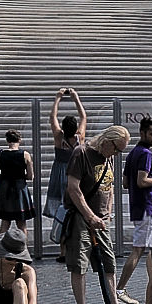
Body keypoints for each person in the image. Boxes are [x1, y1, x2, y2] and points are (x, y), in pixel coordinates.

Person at [62, 125, 131, 304]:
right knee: (79, 264)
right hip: (81, 218)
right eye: (117, 149)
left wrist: (107, 211)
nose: (118, 154)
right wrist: (90, 216)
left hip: (101, 220)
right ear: (107, 142)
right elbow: (74, 189)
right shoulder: (81, 153)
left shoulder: (108, 157)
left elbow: (109, 186)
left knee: (109, 262)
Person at [44, 89, 87, 229]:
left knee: (62, 205)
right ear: (75, 129)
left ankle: (62, 229)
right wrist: (76, 98)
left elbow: (52, 118)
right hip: (75, 170)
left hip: (59, 171)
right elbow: (84, 117)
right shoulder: (79, 137)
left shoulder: (59, 137)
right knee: (76, 199)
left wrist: (58, 98)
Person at [0, 128, 37, 238]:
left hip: (5, 189)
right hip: (20, 189)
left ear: (7, 140)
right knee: (21, 224)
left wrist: (4, 176)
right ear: (20, 140)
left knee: (5, 223)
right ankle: (23, 251)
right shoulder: (25, 155)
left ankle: (2, 252)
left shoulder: (0, 154)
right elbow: (30, 176)